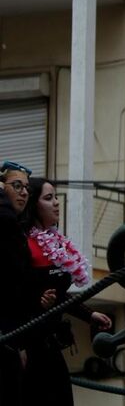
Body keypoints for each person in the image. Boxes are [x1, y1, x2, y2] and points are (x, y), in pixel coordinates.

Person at [20, 177, 112, 406]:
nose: (57, 203)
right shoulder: (22, 244)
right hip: (28, 344)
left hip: (51, 341)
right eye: (49, 198)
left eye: (56, 197)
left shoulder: (55, 243)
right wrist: (37, 302)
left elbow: (60, 297)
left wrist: (89, 314)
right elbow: (15, 293)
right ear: (33, 204)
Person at [0, 161, 33, 405]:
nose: (23, 192)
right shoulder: (5, 222)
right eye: (17, 186)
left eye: (27, 188)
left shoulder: (17, 227)